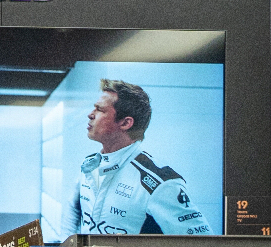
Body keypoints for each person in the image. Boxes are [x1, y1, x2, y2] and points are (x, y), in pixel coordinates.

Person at [67, 79, 210, 236]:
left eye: (100, 109)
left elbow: (203, 243)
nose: (90, 114)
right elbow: (73, 216)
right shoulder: (90, 165)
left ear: (125, 123)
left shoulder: (160, 183)